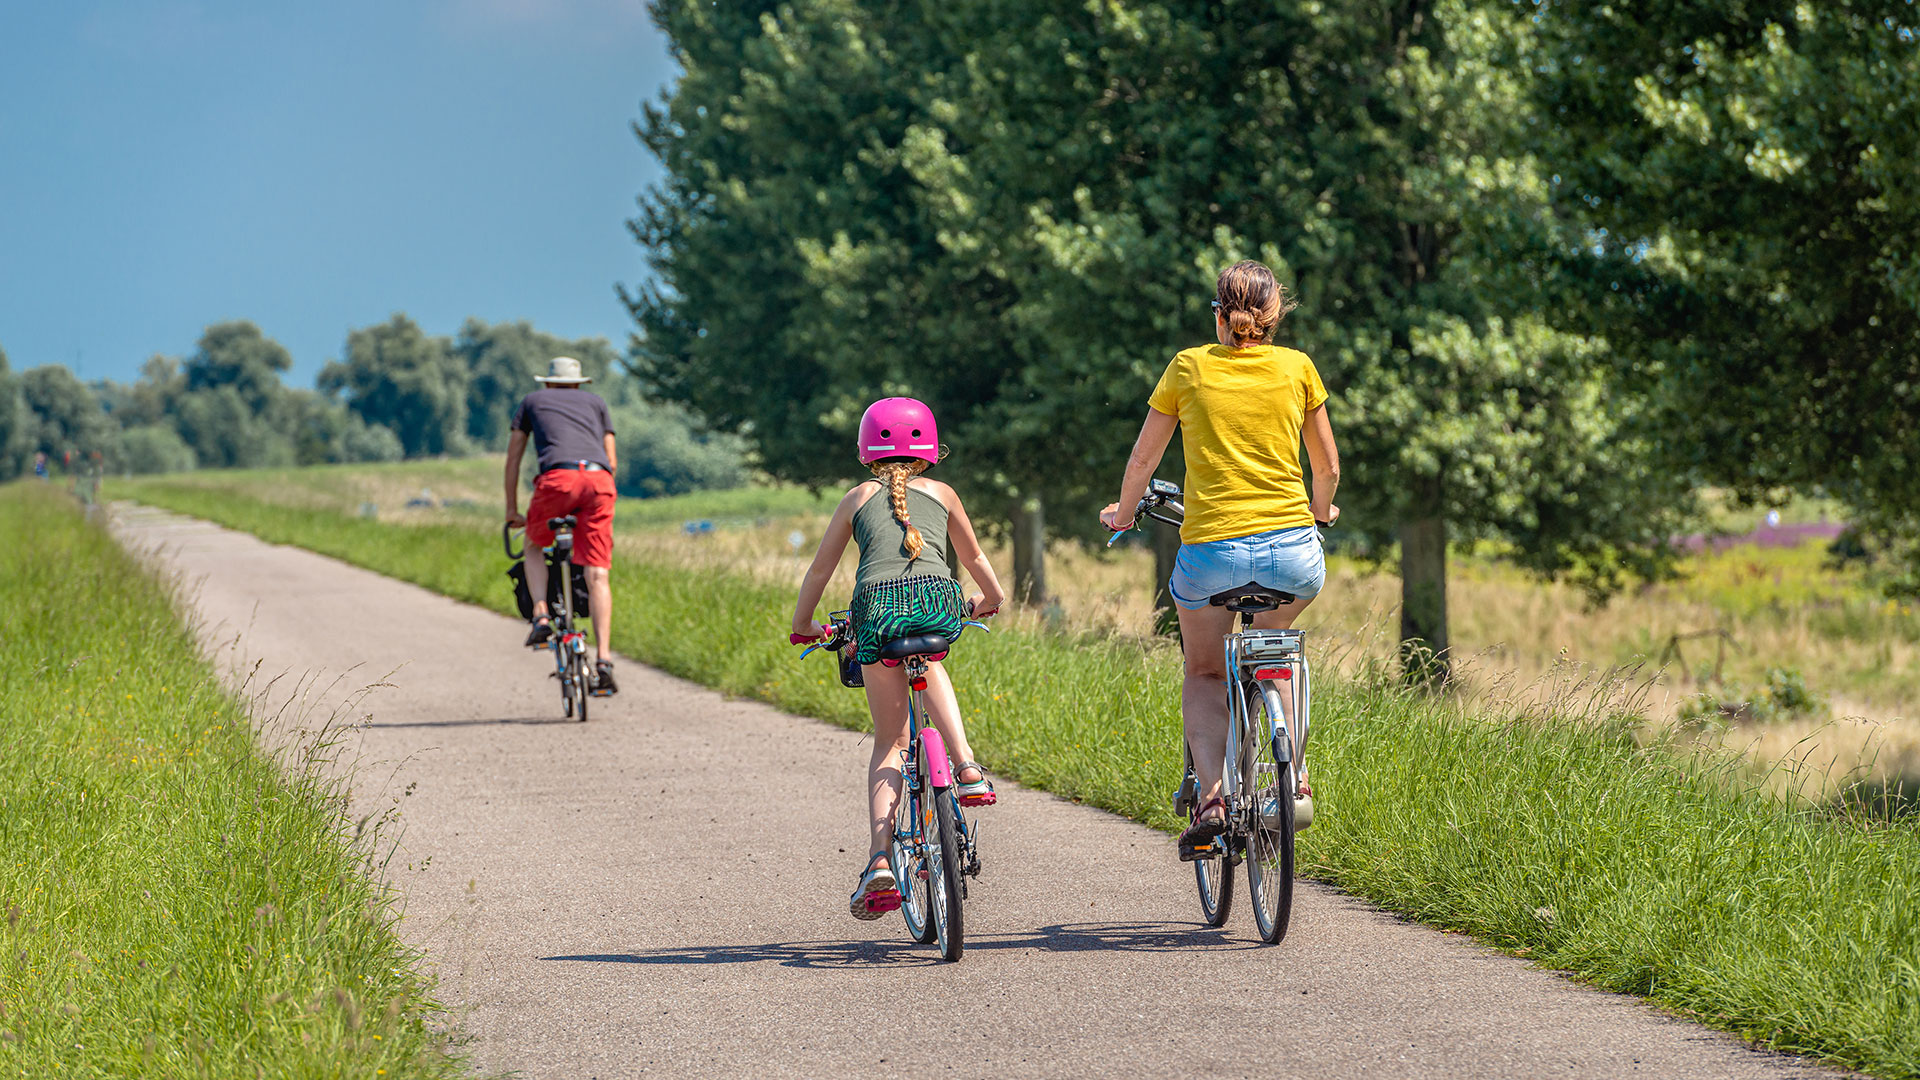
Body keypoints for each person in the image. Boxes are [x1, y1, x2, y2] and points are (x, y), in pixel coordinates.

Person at [1100, 260, 1341, 861]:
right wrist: (1320, 511)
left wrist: (1124, 513)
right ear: (1275, 314)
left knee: (1206, 671)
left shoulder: (1188, 367)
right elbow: (1328, 468)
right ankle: (1296, 775)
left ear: (1218, 314)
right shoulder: (1298, 368)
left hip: (1211, 555)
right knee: (1277, 648)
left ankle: (1211, 798)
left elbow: (1141, 464)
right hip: (1291, 552)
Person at [789, 397, 1008, 919]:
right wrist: (992, 600)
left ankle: (881, 861)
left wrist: (804, 626)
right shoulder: (944, 492)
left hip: (875, 610)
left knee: (890, 741)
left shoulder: (855, 498)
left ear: (868, 452)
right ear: (930, 451)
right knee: (932, 659)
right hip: (938, 596)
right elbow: (973, 557)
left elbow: (820, 571)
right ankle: (967, 765)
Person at [504, 356, 620, 695]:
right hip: (598, 482)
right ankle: (604, 660)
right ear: (579, 383)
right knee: (597, 573)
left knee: (534, 544)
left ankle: (541, 613)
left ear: (548, 383)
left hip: (558, 481)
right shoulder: (597, 403)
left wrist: (512, 509)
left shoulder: (532, 402)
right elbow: (611, 460)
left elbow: (514, 457)